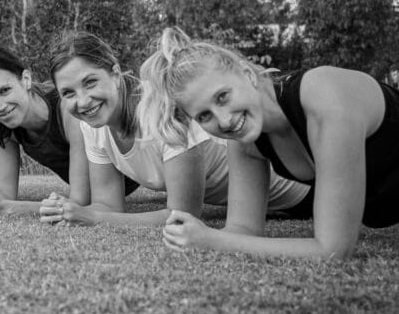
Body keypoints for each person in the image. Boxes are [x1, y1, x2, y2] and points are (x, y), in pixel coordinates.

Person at [140, 26, 399, 259]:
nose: (225, 121)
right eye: (204, 116)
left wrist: (211, 240)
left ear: (247, 74)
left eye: (222, 97)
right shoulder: (245, 139)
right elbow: (243, 229)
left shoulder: (323, 95)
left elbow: (333, 250)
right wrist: (200, 236)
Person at [41, 31, 311, 227]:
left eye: (90, 82)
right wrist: (70, 210)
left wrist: (91, 217)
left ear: (114, 72)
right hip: (259, 210)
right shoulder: (92, 126)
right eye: (68, 93)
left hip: (300, 193)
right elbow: (108, 205)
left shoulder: (163, 110)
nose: (83, 101)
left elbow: (184, 213)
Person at [0, 46, 100, 217]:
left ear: (26, 79)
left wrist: (4, 208)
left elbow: (78, 202)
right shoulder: (0, 124)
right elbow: (4, 195)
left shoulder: (68, 112)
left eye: (4, 91)